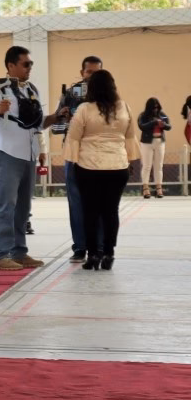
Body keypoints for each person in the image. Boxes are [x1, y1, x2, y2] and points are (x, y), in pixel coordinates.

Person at [0, 46, 63, 270]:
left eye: (31, 64)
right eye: (25, 64)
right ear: (11, 66)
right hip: (6, 151)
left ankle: (19, 251)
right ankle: (0, 255)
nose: (29, 68)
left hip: (28, 153)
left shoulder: (31, 90)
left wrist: (56, 117)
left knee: (24, 206)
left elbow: (37, 123)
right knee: (6, 204)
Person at [65, 69, 140, 270]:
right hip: (117, 166)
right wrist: (130, 159)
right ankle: (109, 253)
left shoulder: (84, 109)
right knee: (110, 211)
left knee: (90, 211)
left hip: (89, 167)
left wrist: (72, 161)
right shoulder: (124, 107)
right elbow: (131, 135)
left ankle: (93, 255)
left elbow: (73, 137)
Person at [55, 57, 103, 261]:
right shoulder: (69, 94)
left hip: (99, 155)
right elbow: (57, 129)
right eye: (89, 72)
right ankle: (80, 247)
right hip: (74, 154)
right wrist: (62, 117)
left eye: (96, 72)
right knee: (76, 202)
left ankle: (99, 247)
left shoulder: (108, 96)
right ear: (82, 72)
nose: (92, 76)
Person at [137, 97, 171, 198]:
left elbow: (169, 126)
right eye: (153, 107)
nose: (155, 109)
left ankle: (159, 189)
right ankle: (145, 189)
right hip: (147, 143)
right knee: (147, 166)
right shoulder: (143, 115)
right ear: (149, 107)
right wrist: (154, 122)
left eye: (157, 107)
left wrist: (162, 124)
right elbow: (141, 126)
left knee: (159, 166)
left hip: (160, 142)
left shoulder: (162, 114)